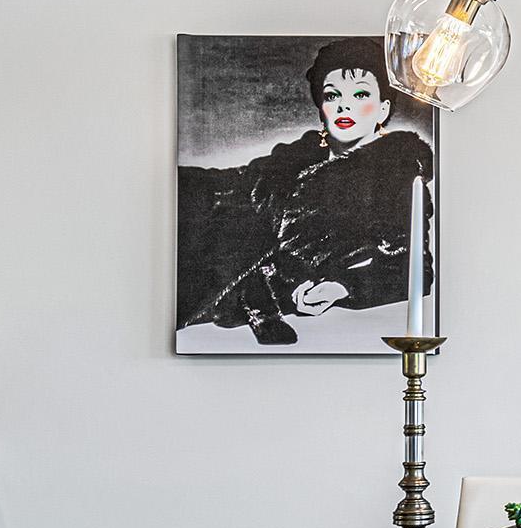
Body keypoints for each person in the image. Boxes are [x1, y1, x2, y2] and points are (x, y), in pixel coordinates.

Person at [178, 38, 432, 345]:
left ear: (383, 110)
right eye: (332, 95)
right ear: (322, 108)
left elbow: (414, 271)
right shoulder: (289, 160)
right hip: (214, 299)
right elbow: (228, 185)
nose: (344, 104)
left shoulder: (394, 176)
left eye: (360, 94)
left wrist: (342, 287)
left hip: (277, 325)